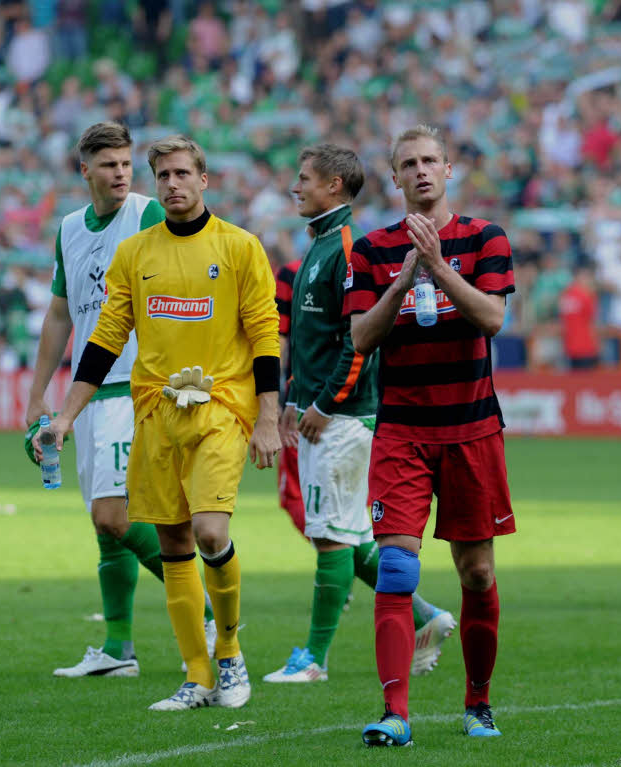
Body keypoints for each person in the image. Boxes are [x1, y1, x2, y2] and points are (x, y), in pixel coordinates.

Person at [36, 135, 282, 709]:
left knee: (210, 533)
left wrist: (269, 416)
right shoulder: (136, 253)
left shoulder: (241, 247)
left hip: (221, 406)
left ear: (204, 179)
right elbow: (103, 340)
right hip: (155, 409)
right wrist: (66, 415)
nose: (172, 185)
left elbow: (265, 336)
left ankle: (229, 655)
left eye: (181, 174)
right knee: (172, 540)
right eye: (163, 175)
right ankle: (197, 678)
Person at [24, 121, 215, 678]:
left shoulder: (146, 214)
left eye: (127, 164)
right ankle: (116, 650)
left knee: (114, 517)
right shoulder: (68, 229)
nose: (121, 174)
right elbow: (61, 312)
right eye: (108, 165)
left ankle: (207, 613)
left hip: (136, 388)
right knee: (102, 522)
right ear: (84, 169)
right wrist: (39, 393)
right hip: (88, 393)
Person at [344, 125, 515, 746]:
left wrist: (438, 269)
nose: (420, 171)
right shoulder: (371, 249)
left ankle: (478, 702)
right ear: (395, 178)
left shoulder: (484, 237)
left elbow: (493, 317)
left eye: (430, 161)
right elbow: (362, 338)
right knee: (395, 567)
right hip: (403, 431)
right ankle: (396, 714)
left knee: (475, 573)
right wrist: (404, 275)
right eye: (408, 164)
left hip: (471, 428)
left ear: (449, 171)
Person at [264, 143, 455, 684]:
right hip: (321, 411)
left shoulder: (348, 248)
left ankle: (313, 660)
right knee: (350, 535)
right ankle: (429, 616)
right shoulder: (319, 245)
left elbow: (359, 341)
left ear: (334, 186)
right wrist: (294, 401)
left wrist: (324, 404)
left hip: (344, 417)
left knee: (330, 537)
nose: (295, 187)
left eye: (304, 178)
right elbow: (310, 343)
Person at [274, 255, 306, 536]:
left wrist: (275, 399)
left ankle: (388, 577)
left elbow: (279, 338)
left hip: (304, 403)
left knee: (295, 497)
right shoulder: (366, 256)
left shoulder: (292, 273)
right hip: (366, 405)